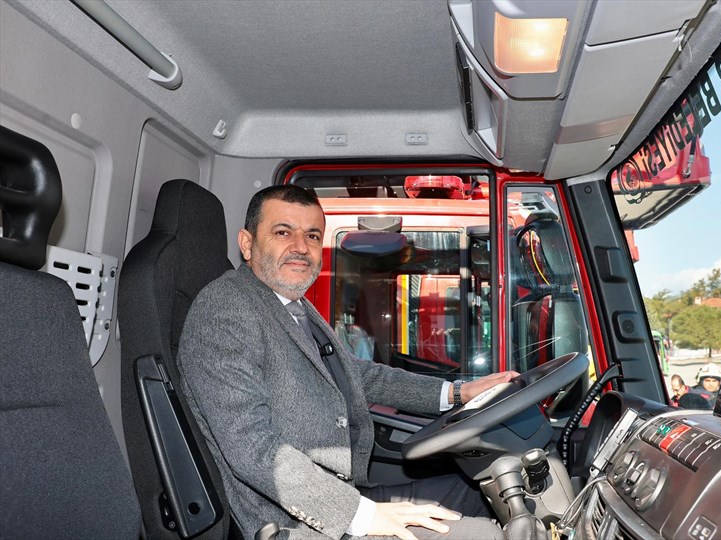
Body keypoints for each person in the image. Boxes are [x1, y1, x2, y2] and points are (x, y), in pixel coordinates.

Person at [177, 185, 515, 540]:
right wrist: (363, 515)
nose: (300, 247)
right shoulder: (226, 309)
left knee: (479, 489)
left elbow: (358, 375)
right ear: (247, 244)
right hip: (292, 524)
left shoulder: (290, 304)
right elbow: (252, 447)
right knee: (483, 535)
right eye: (283, 233)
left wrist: (458, 393)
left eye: (312, 236)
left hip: (341, 494)